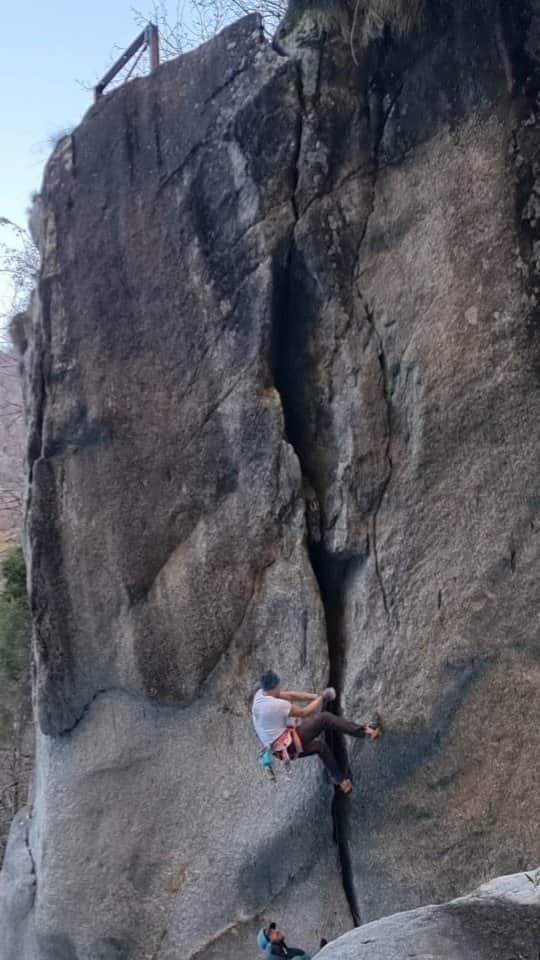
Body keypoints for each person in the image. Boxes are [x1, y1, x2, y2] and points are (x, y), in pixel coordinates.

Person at [252, 670, 381, 795]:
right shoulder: (273, 705)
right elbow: (304, 712)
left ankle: (341, 781)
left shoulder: (262, 695)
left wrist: (316, 697)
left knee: (320, 747)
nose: (280, 686)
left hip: (279, 751)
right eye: (278, 685)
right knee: (324, 718)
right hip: (287, 744)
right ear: (273, 688)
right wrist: (323, 697)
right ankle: (367, 732)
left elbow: (290, 695)